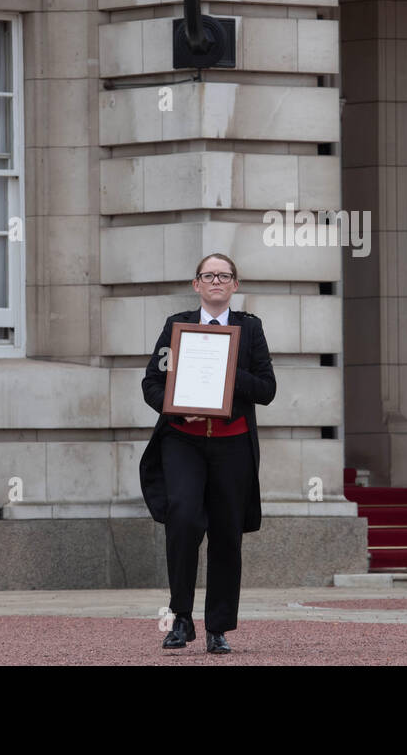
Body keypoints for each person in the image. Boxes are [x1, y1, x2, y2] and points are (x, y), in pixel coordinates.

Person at [140, 253, 276, 653]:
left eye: (224, 275)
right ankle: (181, 617)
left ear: (234, 285)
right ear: (197, 284)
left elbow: (267, 390)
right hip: (183, 439)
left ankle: (218, 626)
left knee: (226, 531)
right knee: (182, 516)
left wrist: (229, 366)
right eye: (208, 275)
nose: (216, 281)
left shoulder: (250, 329)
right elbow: (151, 383)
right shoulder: (176, 327)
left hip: (232, 442)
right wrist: (178, 406)